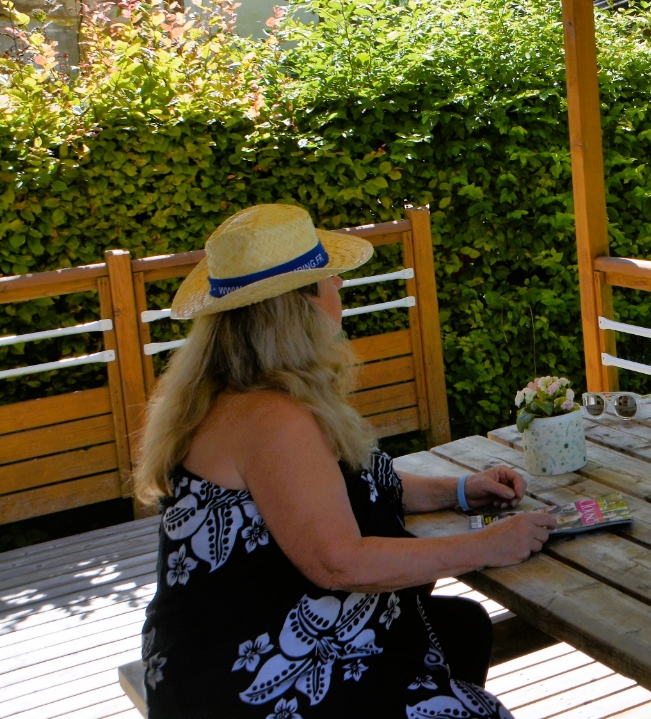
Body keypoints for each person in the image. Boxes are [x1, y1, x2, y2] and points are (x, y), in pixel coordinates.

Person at [134, 204, 557, 719]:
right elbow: (338, 562)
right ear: (299, 305)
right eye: (328, 276)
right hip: (249, 678)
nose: (339, 284)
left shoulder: (235, 392)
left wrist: (460, 491)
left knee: (462, 626)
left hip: (225, 646)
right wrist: (485, 545)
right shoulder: (270, 416)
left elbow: (339, 490)